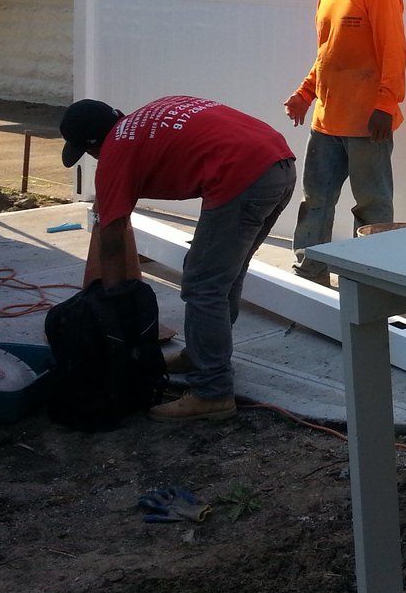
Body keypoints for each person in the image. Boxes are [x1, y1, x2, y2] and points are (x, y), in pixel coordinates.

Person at [59, 95, 296, 422]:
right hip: (278, 162)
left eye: (88, 152)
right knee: (224, 275)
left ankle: (212, 393)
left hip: (243, 173)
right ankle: (202, 357)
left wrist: (113, 303)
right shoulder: (141, 122)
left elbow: (111, 239)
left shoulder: (116, 149)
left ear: (93, 144)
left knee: (203, 284)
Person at [284, 0, 406, 285]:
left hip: (368, 124)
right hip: (326, 121)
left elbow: (394, 54)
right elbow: (326, 55)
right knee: (315, 201)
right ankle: (311, 272)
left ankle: (369, 280)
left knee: (371, 205)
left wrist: (385, 105)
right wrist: (305, 93)